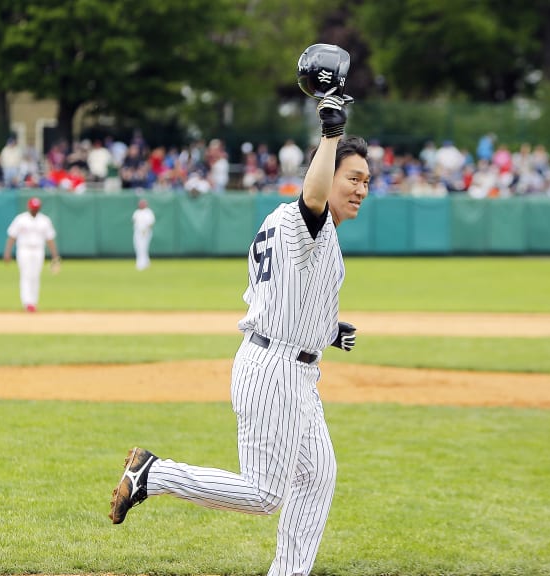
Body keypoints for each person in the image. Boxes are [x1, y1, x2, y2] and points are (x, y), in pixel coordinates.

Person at [109, 91, 367, 575]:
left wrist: (326, 331)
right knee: (266, 494)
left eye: (366, 181)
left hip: (292, 365)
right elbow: (312, 198)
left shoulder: (309, 229)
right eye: (352, 178)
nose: (361, 189)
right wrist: (330, 132)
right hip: (274, 370)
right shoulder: (302, 219)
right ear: (325, 172)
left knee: (317, 475)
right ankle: (154, 474)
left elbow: (283, 296)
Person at [3, 197, 60, 313]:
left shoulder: (44, 220)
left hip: (38, 250)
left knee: (35, 276)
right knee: (26, 275)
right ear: (29, 207)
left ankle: (33, 302)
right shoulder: (21, 219)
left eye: (37, 208)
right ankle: (27, 302)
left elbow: (50, 239)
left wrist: (55, 255)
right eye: (33, 208)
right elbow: (12, 236)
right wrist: (7, 252)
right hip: (24, 249)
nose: (35, 210)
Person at [131, 198, 155, 271]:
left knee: (143, 247)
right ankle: (146, 262)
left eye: (143, 203)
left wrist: (145, 230)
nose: (141, 205)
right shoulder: (137, 212)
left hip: (145, 232)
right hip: (137, 232)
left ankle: (141, 264)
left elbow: (151, 223)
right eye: (140, 203)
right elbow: (134, 220)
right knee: (138, 247)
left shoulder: (148, 212)